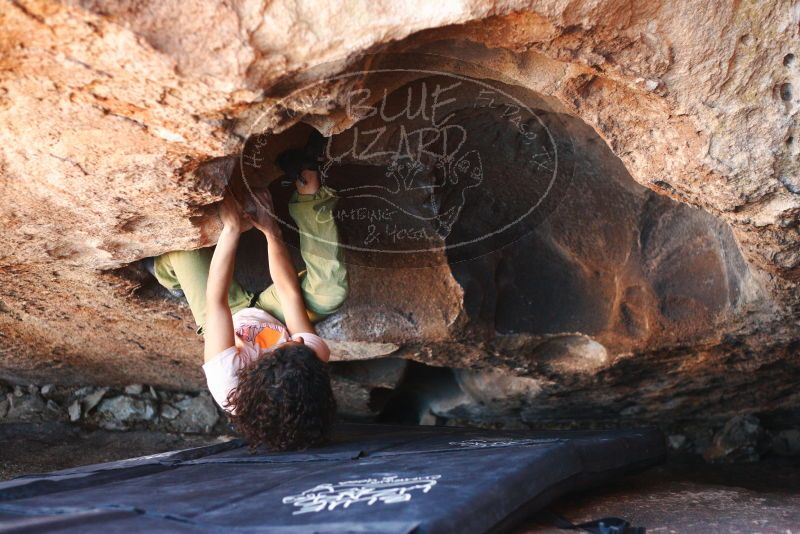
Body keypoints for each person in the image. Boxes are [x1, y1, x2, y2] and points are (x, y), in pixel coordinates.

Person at [151, 155, 348, 451]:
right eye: (296, 343)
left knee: (182, 256)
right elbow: (290, 293)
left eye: (284, 346)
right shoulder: (309, 364)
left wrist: (231, 229)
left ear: (259, 369)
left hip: (228, 315)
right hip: (272, 311)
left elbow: (216, 302)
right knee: (331, 291)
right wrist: (271, 231)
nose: (292, 340)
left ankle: (167, 276)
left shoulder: (228, 380)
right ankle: (310, 197)